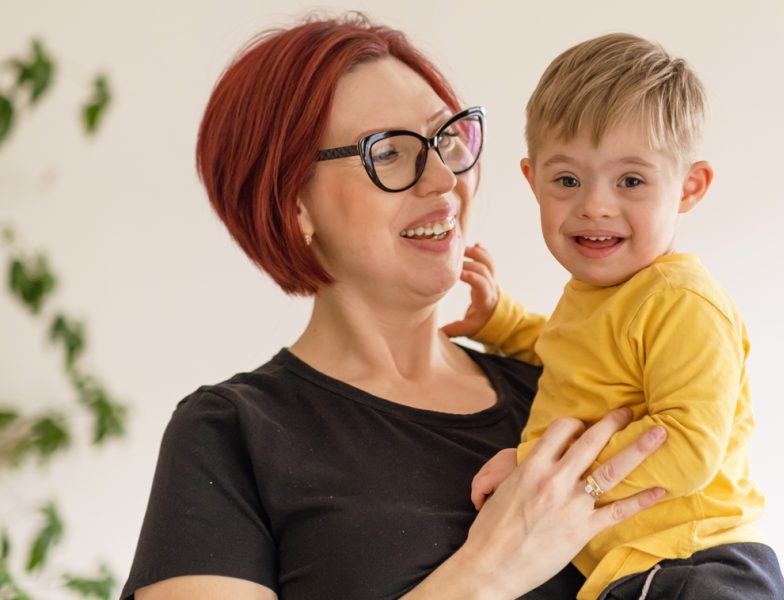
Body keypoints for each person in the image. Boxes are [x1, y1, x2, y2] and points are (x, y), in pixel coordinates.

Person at [120, 15, 673, 600]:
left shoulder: (561, 389)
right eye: (388, 153)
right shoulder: (232, 435)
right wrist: (487, 574)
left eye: (448, 138)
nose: (442, 178)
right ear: (293, 204)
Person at [452, 34, 784, 599]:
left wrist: (534, 469)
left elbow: (687, 446)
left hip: (696, 564)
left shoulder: (681, 300)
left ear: (689, 187)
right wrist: (501, 323)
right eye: (567, 181)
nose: (595, 205)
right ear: (532, 179)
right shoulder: (597, 295)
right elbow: (577, 358)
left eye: (630, 181)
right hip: (632, 572)